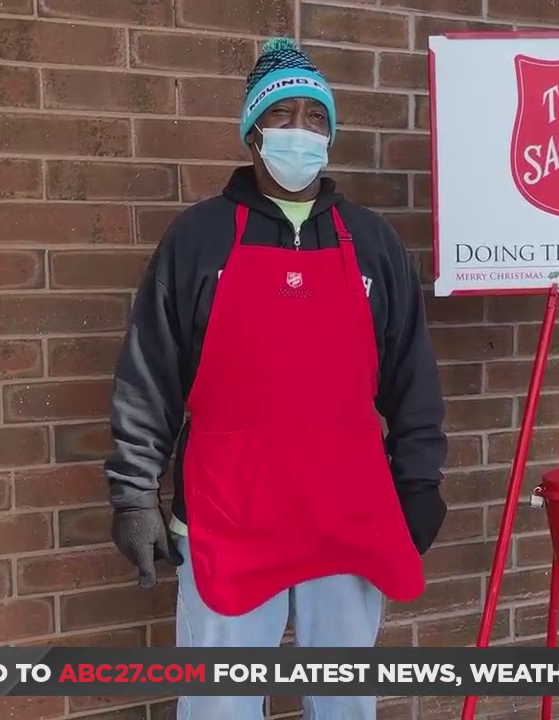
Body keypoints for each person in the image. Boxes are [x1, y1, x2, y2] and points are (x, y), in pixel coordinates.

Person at [103, 36, 449, 720]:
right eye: (285, 116)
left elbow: (413, 377)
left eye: (316, 118)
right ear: (254, 132)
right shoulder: (197, 238)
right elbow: (150, 376)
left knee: (346, 699)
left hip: (347, 509)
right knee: (219, 701)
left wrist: (419, 481)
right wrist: (134, 494)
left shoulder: (372, 240)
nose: (302, 132)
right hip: (229, 509)